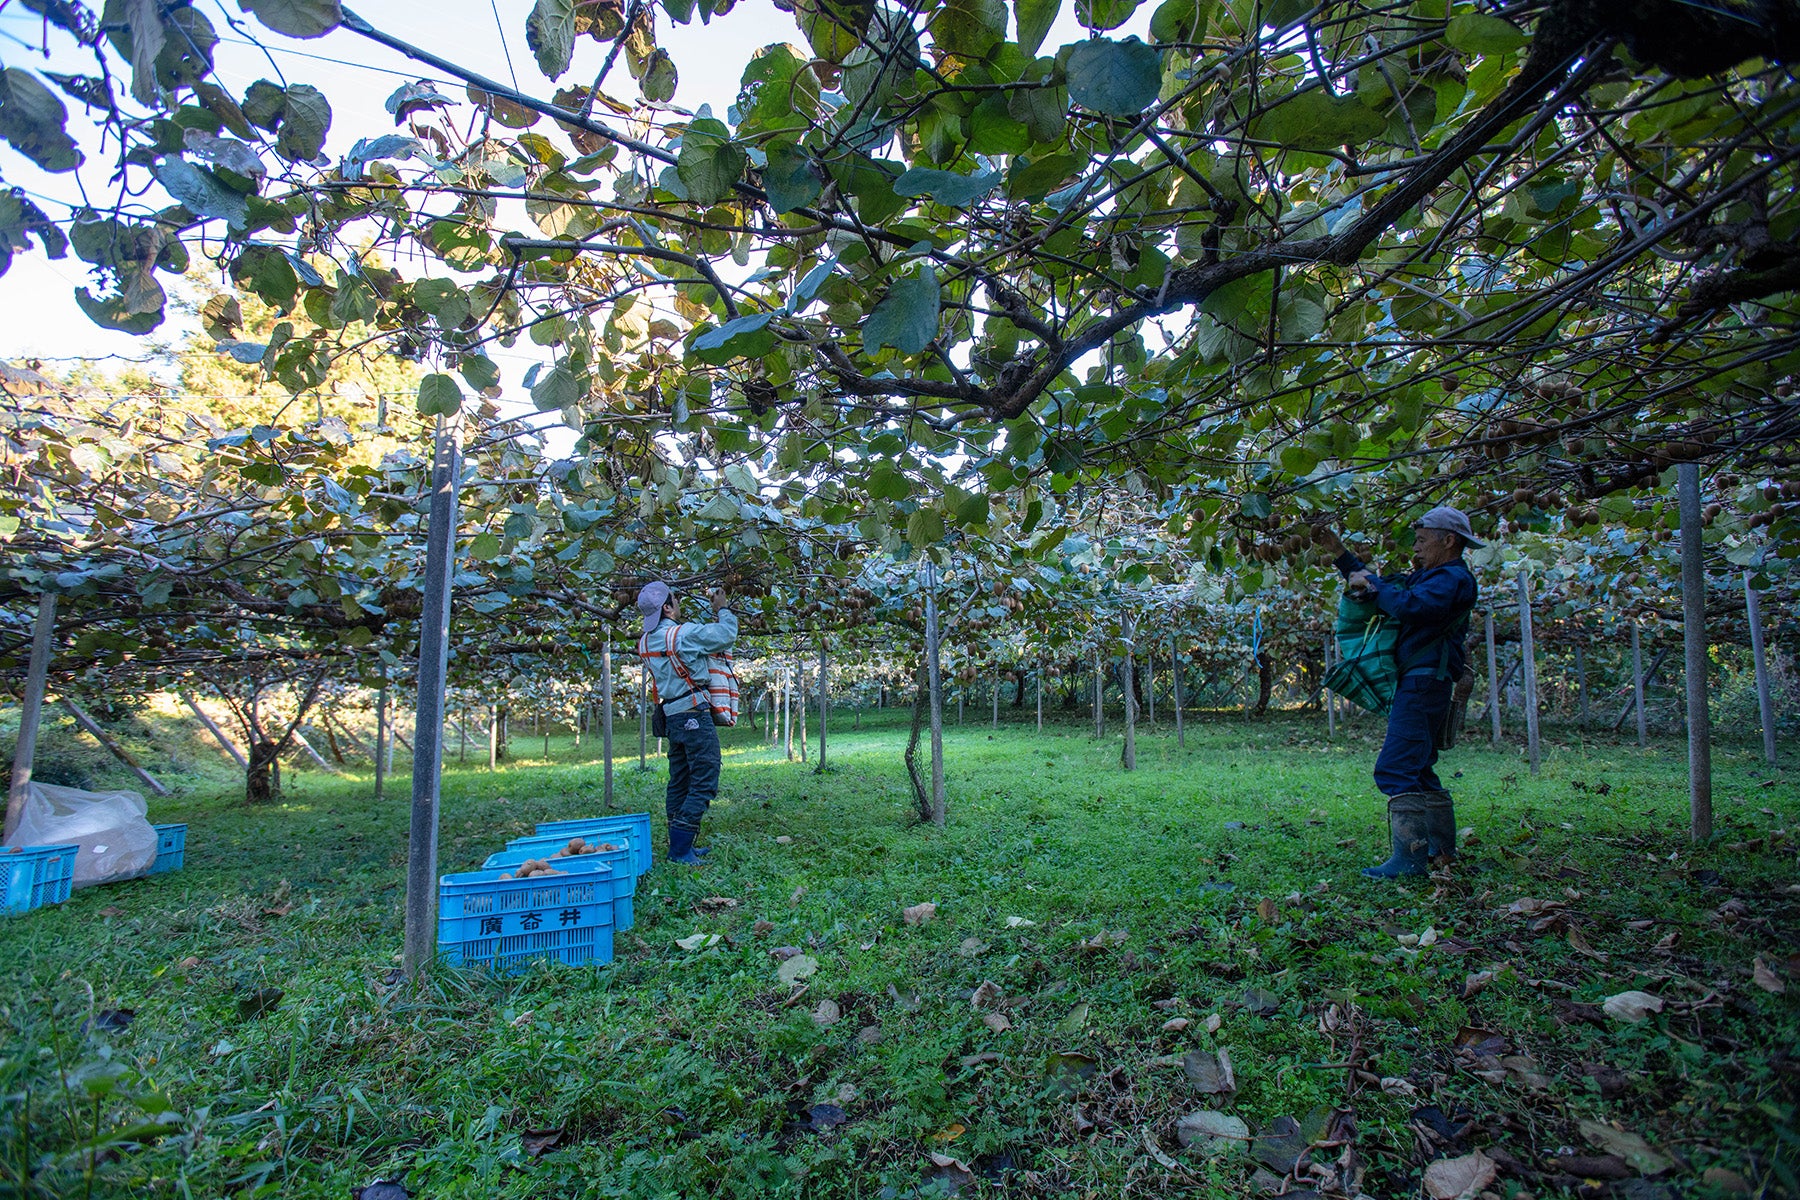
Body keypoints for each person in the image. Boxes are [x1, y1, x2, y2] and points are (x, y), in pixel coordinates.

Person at [1330, 506, 1482, 879]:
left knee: (1396, 767)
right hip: (1424, 679)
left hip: (1424, 680)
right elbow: (1387, 587)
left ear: (1448, 541)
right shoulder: (1433, 576)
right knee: (1419, 766)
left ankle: (1409, 859)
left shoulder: (1450, 579)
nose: (1415, 547)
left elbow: (1408, 605)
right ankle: (1442, 849)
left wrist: (1377, 587)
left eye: (1422, 539)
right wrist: (1340, 555)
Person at [636, 582, 737, 865]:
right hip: (693, 712)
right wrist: (722, 609)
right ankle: (680, 849)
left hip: (672, 715)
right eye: (675, 600)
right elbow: (726, 635)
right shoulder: (682, 635)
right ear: (667, 607)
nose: (678, 603)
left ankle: (679, 845)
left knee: (679, 779)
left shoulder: (644, 641)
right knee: (705, 777)